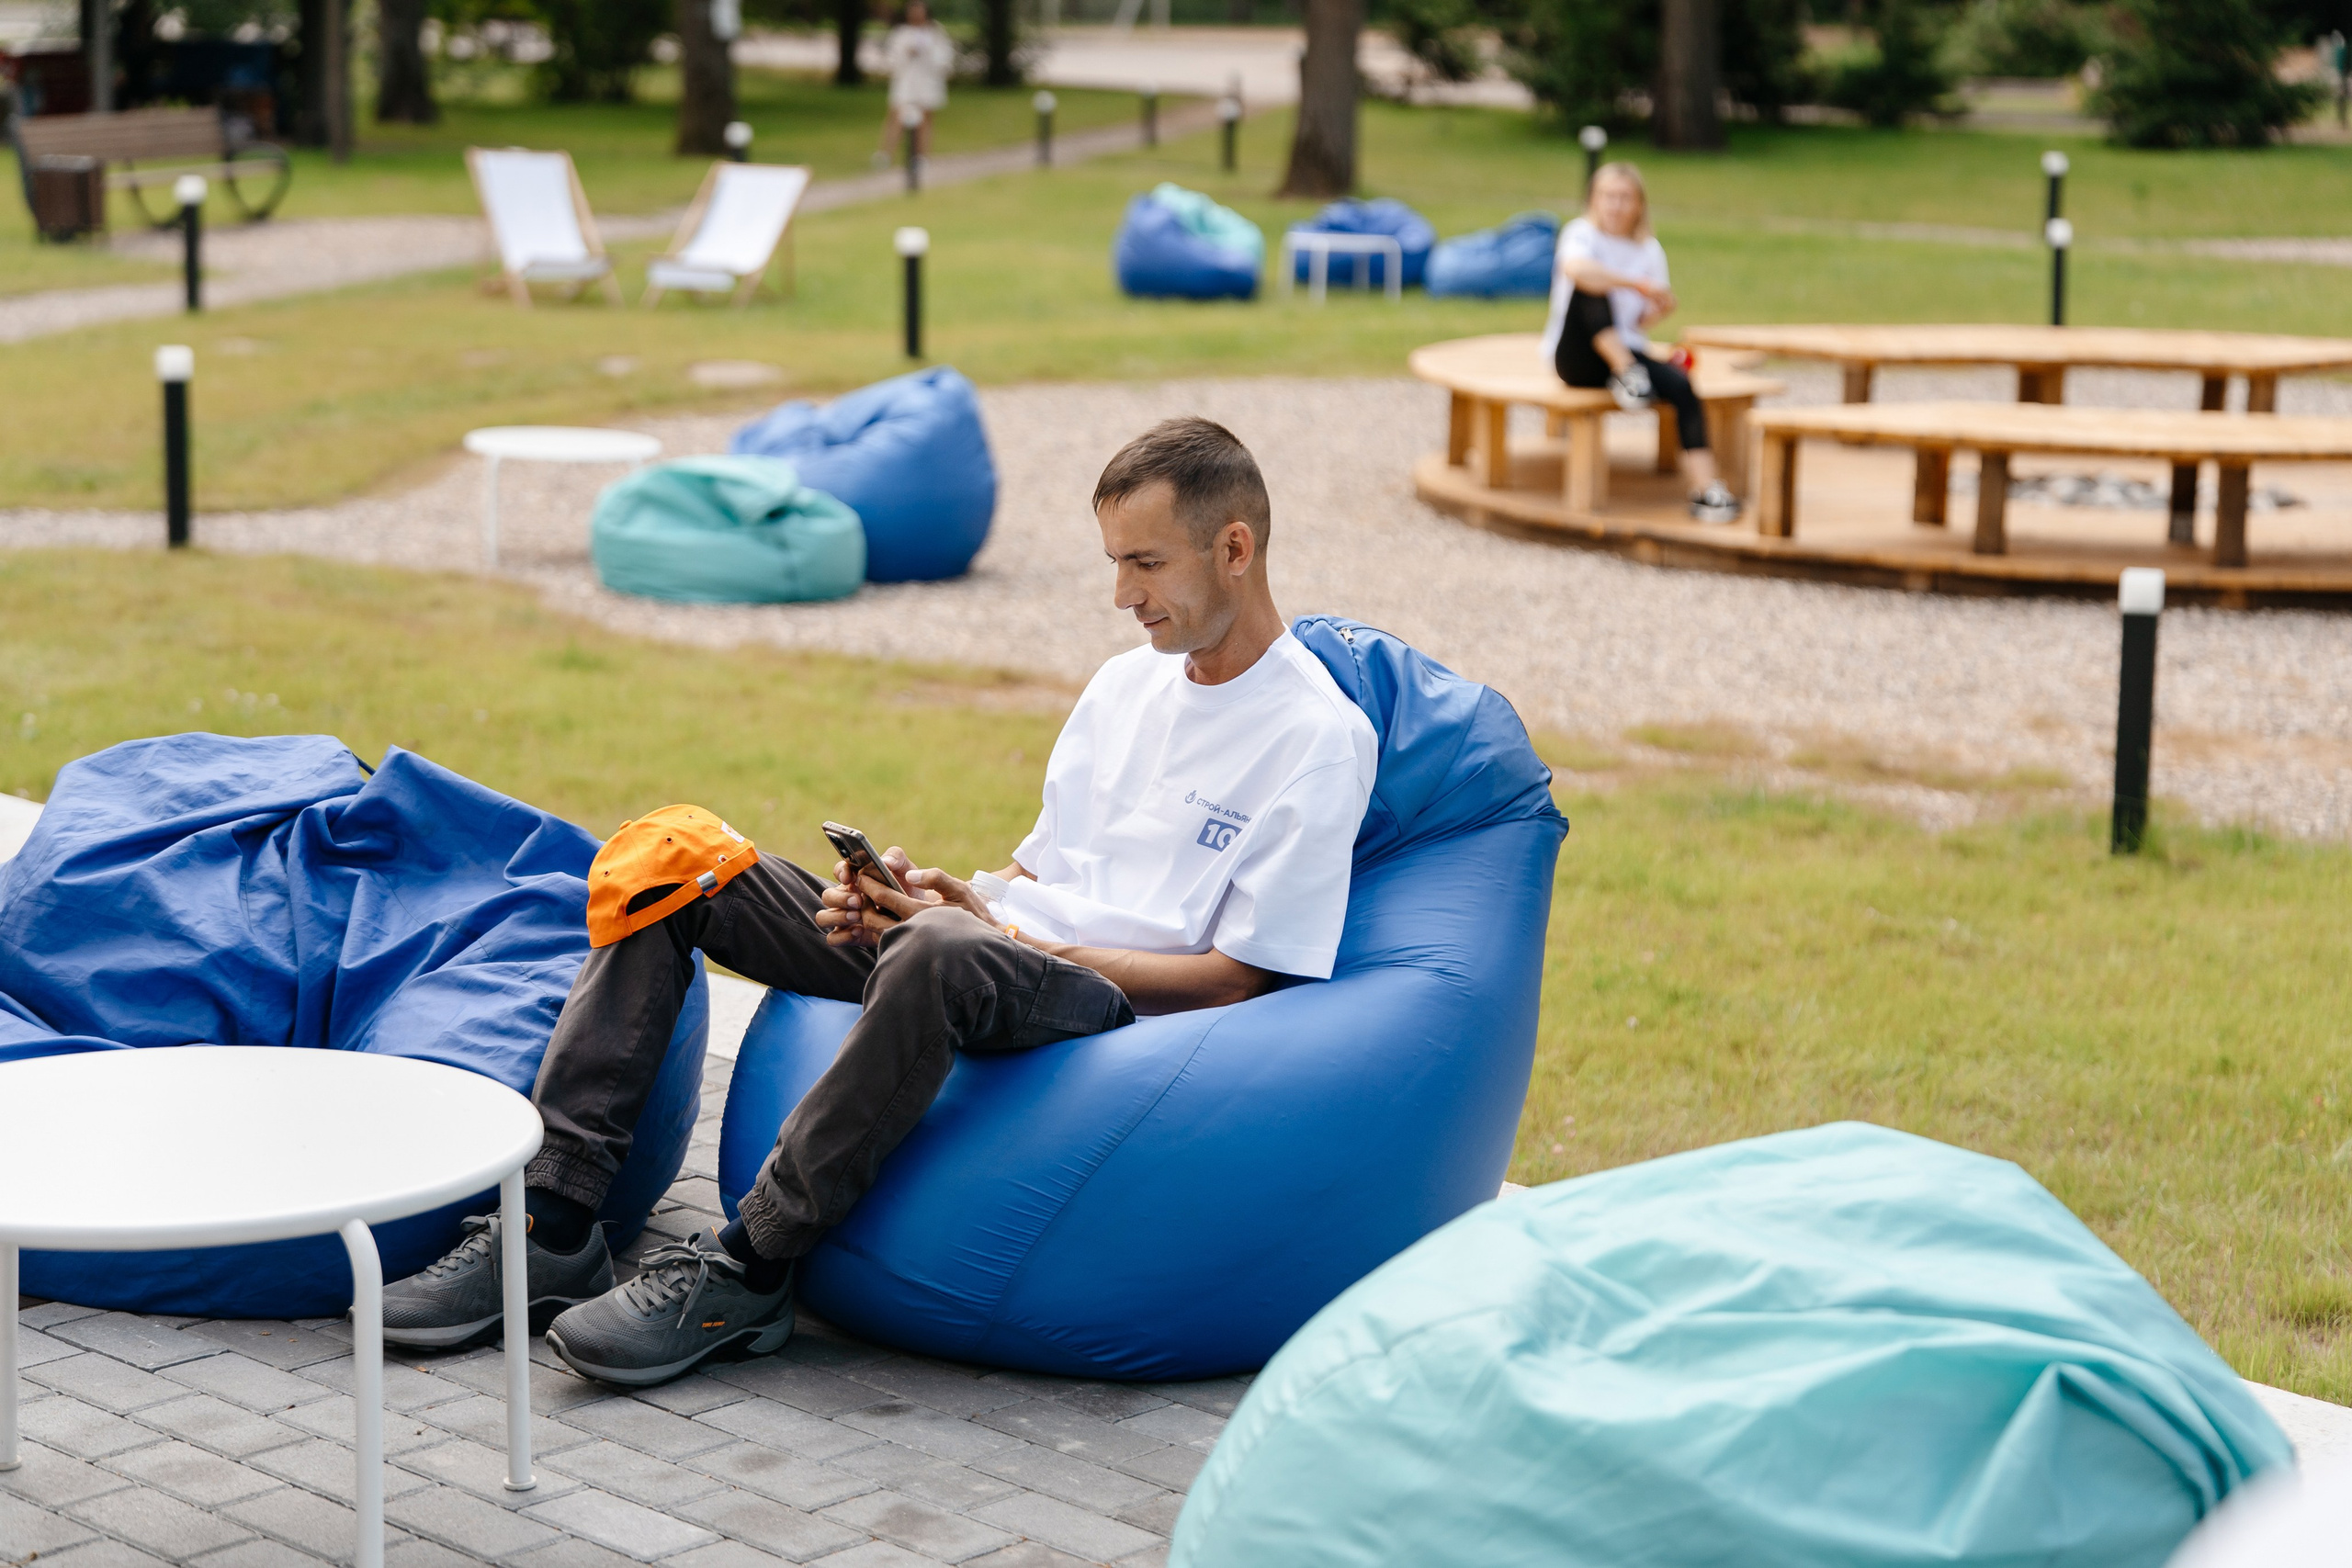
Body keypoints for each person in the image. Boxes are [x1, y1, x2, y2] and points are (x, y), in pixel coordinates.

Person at [379, 417, 1380, 1388]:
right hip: (993, 953)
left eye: (1146, 564)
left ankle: (748, 1272)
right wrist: (934, 897)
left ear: (1234, 547)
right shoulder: (1125, 687)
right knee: (673, 855)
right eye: (1114, 562)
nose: (1122, 593)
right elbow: (1042, 879)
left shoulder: (1314, 738)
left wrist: (987, 935)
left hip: (1113, 1013)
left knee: (941, 950)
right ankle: (552, 1226)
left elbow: (1241, 981)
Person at [1543, 161, 1741, 525]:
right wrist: (1635, 284)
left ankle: (1705, 488)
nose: (1616, 205)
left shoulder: (1649, 249)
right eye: (1608, 197)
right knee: (1592, 285)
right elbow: (1577, 271)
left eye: (1624, 198)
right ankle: (1628, 374)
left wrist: (1659, 309)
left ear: (1638, 205)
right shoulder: (1580, 234)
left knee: (1682, 385)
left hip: (1627, 348)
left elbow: (1640, 322)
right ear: (1594, 201)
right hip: (1577, 357)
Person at [875, 0, 955, 169]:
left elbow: (945, 59)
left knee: (925, 120)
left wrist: (928, 54)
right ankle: (886, 154)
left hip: (927, 82)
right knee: (896, 117)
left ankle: (921, 157)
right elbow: (891, 59)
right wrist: (907, 53)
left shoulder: (935, 33)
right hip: (905, 82)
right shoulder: (902, 33)